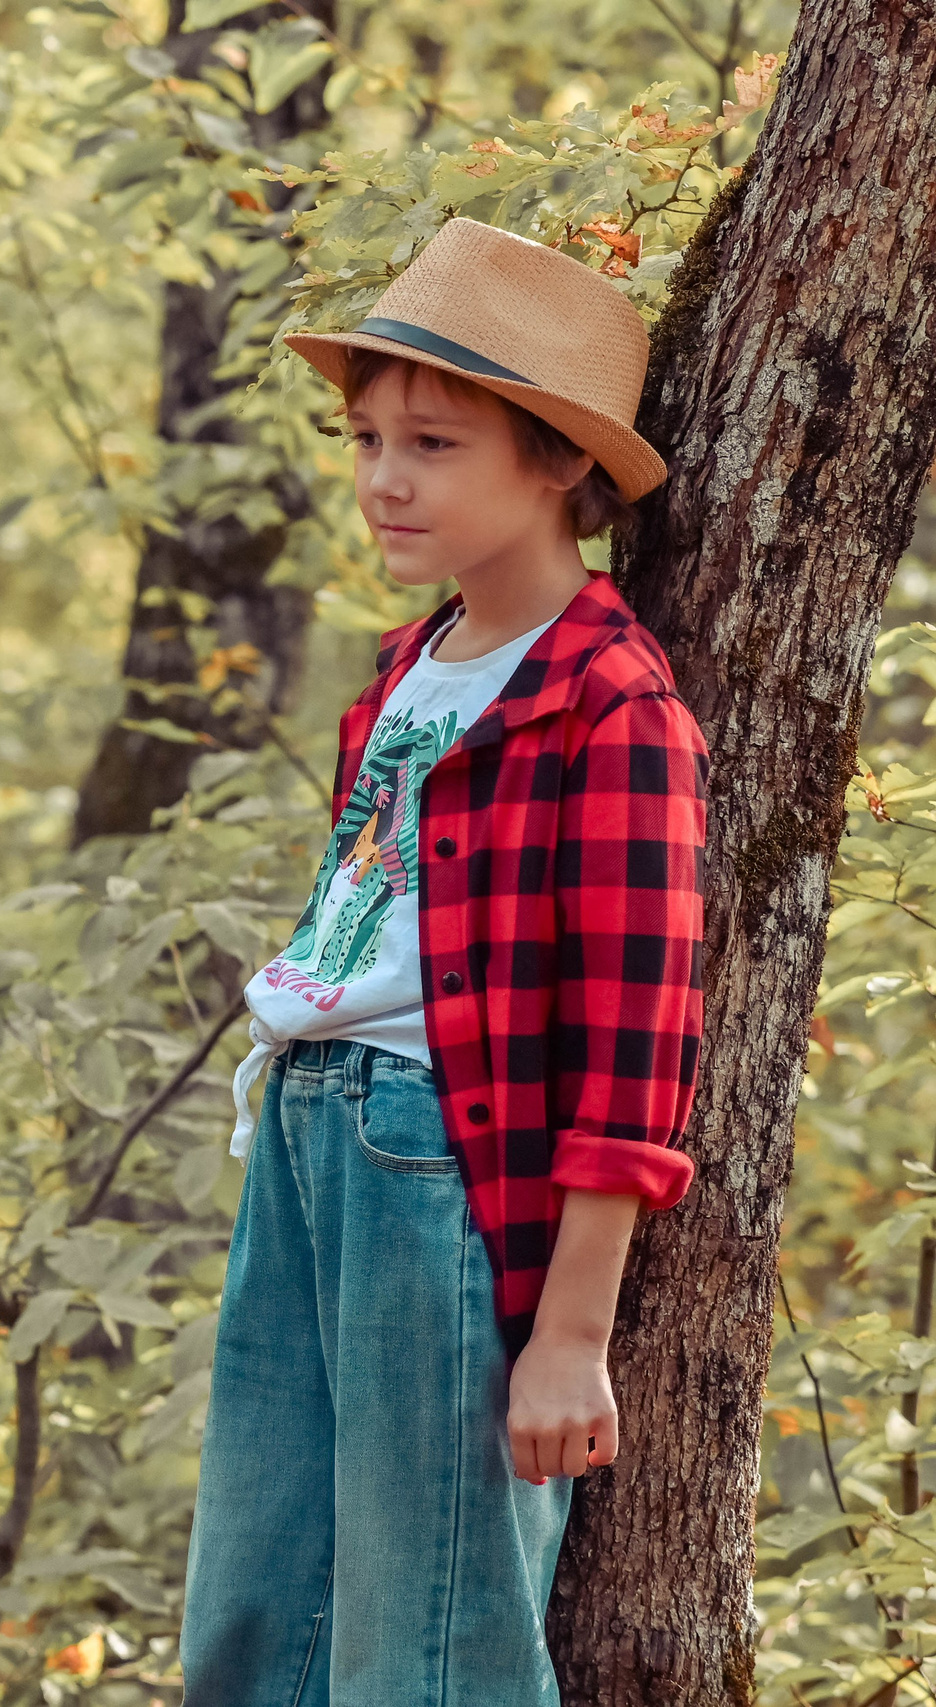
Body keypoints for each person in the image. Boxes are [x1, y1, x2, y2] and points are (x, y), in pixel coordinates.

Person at [179, 218, 708, 1704]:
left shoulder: (609, 705)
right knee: (255, 1610)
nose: (382, 479)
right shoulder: (398, 683)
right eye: (363, 439)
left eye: (433, 442)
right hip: (304, 1137)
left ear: (554, 461)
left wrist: (571, 1338)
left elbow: (636, 1039)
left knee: (427, 1638)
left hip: (438, 1170)